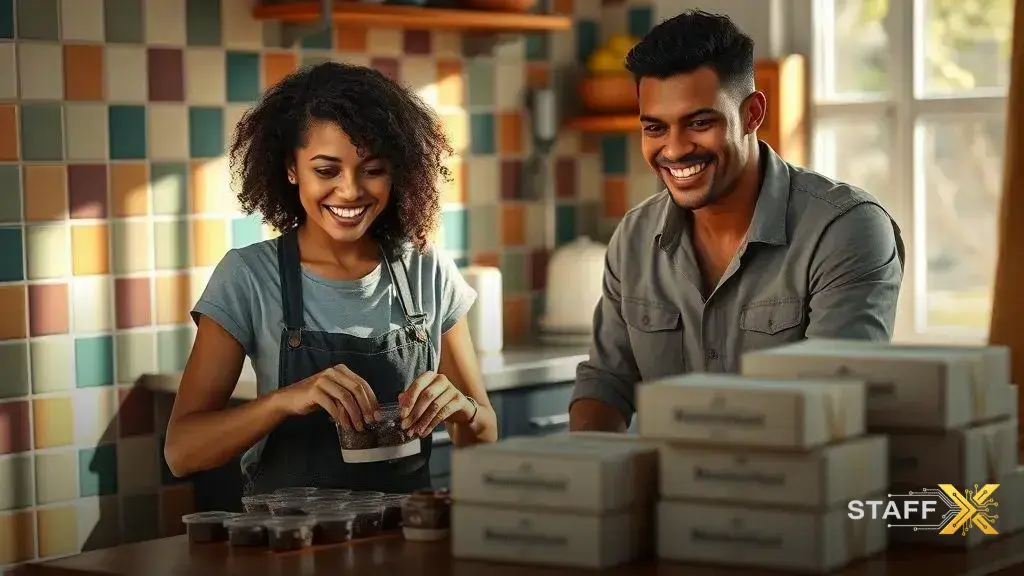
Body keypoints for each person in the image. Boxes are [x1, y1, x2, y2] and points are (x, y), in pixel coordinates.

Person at [164, 62, 498, 495]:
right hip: (292, 549)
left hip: (410, 543)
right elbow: (181, 452)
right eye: (326, 170)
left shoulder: (426, 269)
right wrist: (284, 400)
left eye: (373, 169)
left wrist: (464, 411)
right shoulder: (248, 277)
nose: (350, 191)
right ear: (291, 168)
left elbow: (483, 433)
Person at [569, 10, 905, 433]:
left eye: (700, 122)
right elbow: (606, 382)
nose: (674, 150)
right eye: (655, 128)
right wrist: (589, 479)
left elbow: (834, 408)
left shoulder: (845, 230)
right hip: (669, 495)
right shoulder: (634, 237)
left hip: (796, 493)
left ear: (752, 114)